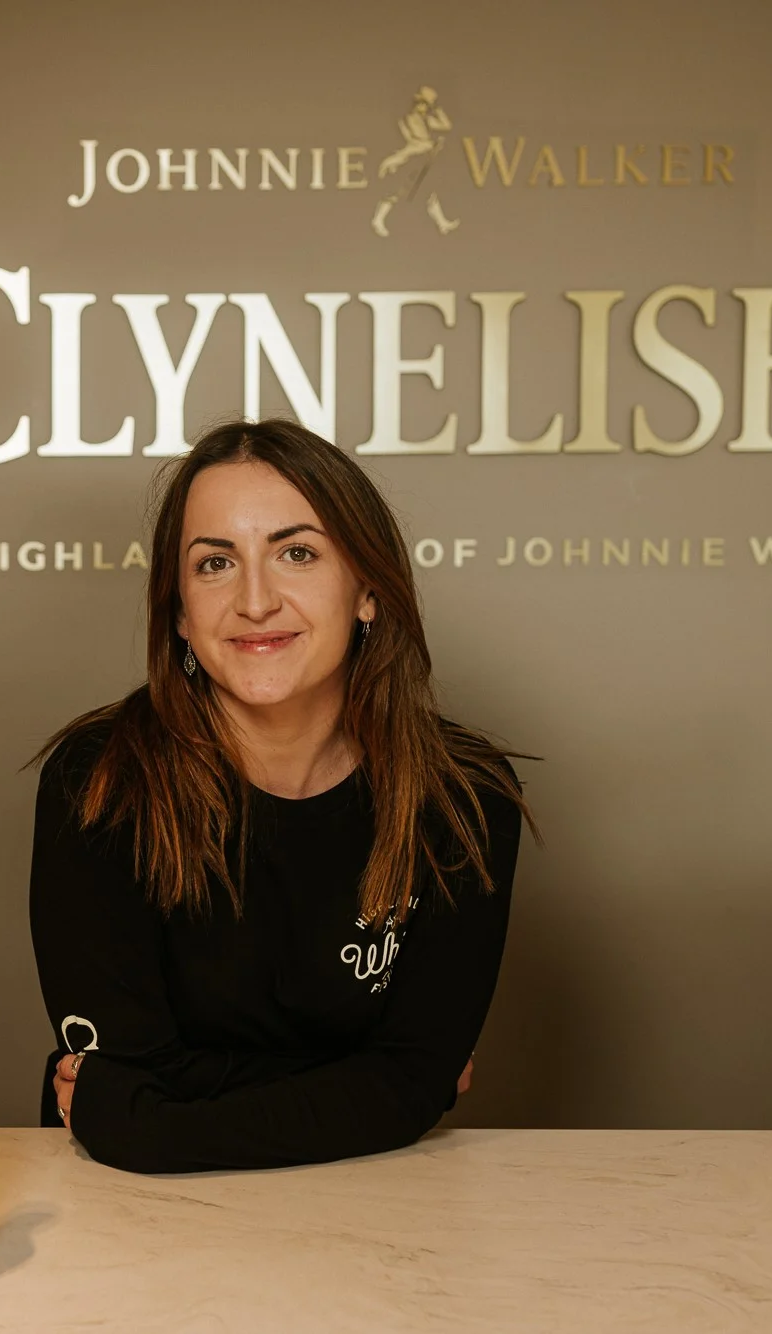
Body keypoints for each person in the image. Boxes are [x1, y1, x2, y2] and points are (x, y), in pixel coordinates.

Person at [28, 418, 531, 1173]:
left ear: (366, 589)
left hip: (368, 1209)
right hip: (131, 1218)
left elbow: (135, 1111)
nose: (255, 600)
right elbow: (406, 1081)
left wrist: (151, 1120)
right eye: (215, 564)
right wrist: (382, 1086)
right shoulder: (100, 783)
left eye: (296, 553)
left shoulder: (463, 797)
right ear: (178, 612)